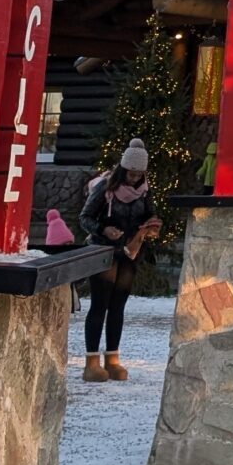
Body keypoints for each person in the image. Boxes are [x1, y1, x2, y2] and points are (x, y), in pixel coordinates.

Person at [78, 139, 160, 382]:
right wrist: (103, 229)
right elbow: (85, 217)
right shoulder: (105, 188)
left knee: (118, 307)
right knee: (99, 305)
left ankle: (112, 359)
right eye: (131, 174)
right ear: (123, 170)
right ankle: (91, 362)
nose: (134, 179)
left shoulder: (145, 191)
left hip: (130, 252)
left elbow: (149, 214)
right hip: (103, 252)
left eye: (138, 174)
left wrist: (152, 225)